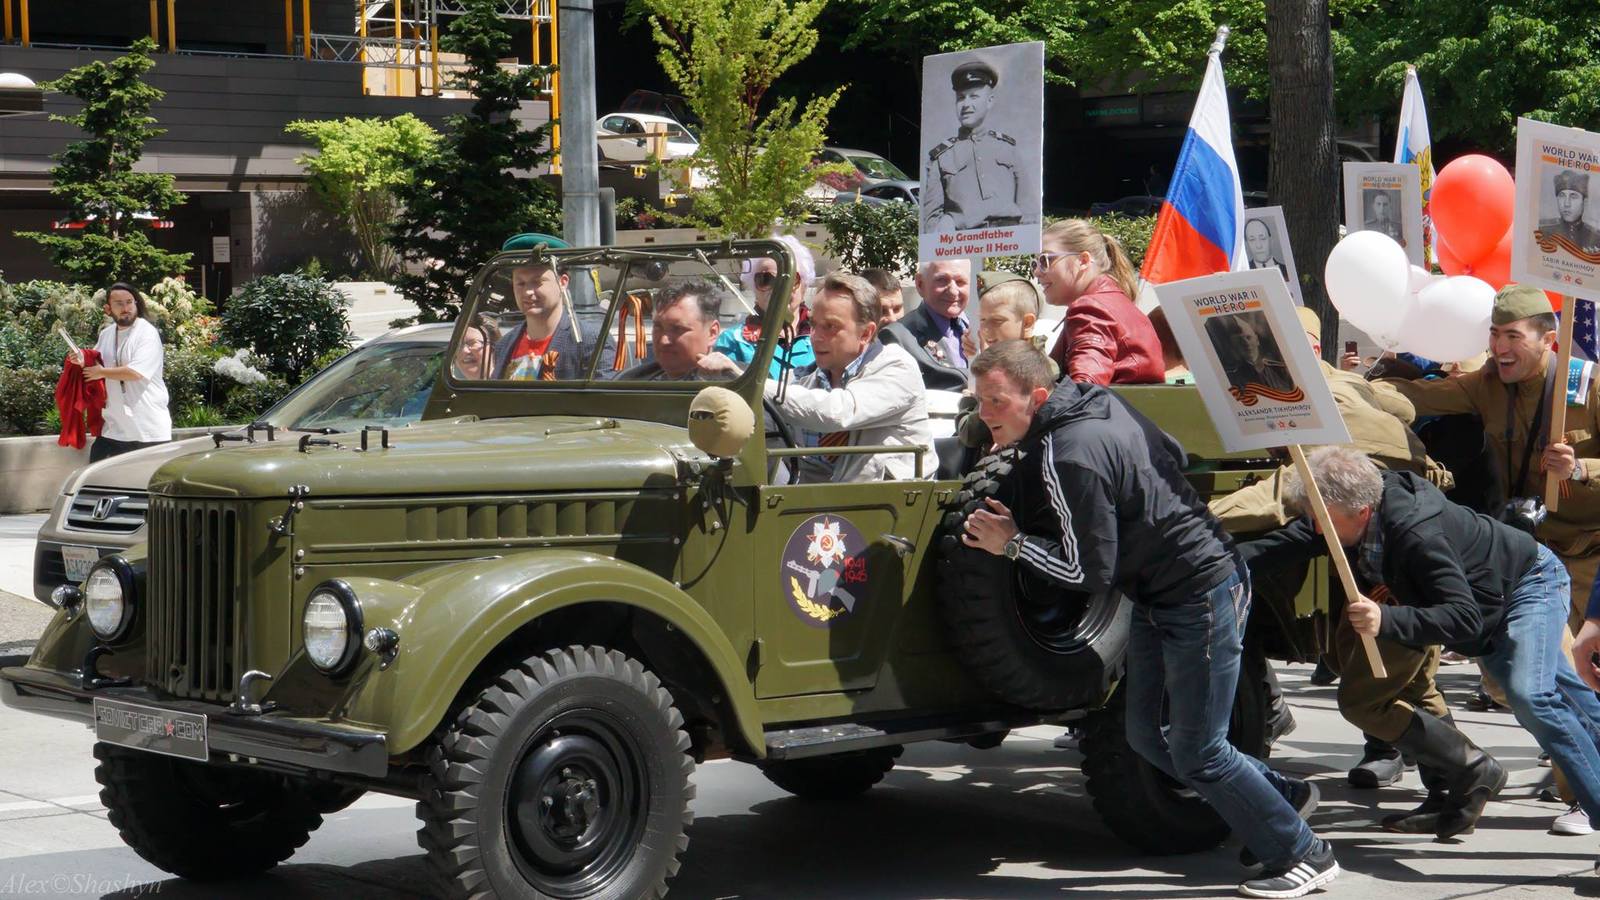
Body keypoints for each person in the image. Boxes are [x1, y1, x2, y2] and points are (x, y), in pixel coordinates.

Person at [960, 341, 1338, 899]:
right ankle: (1276, 796)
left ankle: (1303, 852)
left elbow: (1089, 570)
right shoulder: (1094, 400)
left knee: (1200, 750)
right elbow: (1175, 453)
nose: (983, 414)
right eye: (979, 398)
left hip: (1198, 592)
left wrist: (1012, 544)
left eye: (995, 401)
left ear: (1037, 397)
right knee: (1144, 735)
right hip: (1162, 592)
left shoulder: (1069, 454)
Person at [1249, 446, 1600, 849]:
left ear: (1361, 511)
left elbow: (1463, 618)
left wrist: (1387, 620)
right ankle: (1454, 786)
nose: (1314, 528)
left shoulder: (1418, 535)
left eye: (1321, 519)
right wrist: (1216, 564)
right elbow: (1290, 542)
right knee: (1566, 696)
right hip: (1487, 597)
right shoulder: (1355, 514)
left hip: (1527, 583)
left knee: (1529, 694)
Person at [1211, 307, 1455, 793]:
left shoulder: (1321, 398)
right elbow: (1403, 408)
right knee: (1360, 651)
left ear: (1311, 347)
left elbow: (1287, 489)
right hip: (1359, 527)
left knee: (1403, 659)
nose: (1259, 353)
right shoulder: (1316, 387)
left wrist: (1201, 518)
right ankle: (1440, 768)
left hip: (1397, 529)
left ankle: (1449, 771)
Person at [763, 272, 930, 483]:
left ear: (866, 333)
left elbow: (837, 413)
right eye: (814, 325)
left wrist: (756, 385)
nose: (816, 336)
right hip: (815, 508)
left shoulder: (897, 367)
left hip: (887, 507)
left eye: (830, 326)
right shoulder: (807, 380)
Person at [1035, 218, 1164, 385]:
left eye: (1046, 260)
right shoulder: (1115, 302)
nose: (1037, 272)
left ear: (1083, 261)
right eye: (1035, 263)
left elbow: (1086, 387)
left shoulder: (1091, 308)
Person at [954, 271, 1056, 449]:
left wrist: (968, 401)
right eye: (983, 320)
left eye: (997, 321)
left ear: (1028, 323)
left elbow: (971, 433)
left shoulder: (1040, 369)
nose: (985, 330)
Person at [921, 59, 1022, 232]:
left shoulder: (1008, 148)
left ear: (989, 101)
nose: (966, 104)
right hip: (964, 242)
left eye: (974, 96)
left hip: (1008, 241)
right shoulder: (942, 156)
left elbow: (1029, 208)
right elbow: (931, 221)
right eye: (961, 98)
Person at [81, 282, 171, 463]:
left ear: (136, 304)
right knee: (97, 483)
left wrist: (102, 372)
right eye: (119, 304)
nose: (125, 308)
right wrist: (80, 359)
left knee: (142, 489)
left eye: (129, 302)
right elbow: (95, 361)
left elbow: (136, 372)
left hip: (147, 431)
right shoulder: (106, 334)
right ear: (108, 309)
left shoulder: (147, 333)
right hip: (113, 429)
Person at [711, 234, 816, 378]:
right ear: (754, 287)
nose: (778, 288)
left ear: (803, 285)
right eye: (765, 279)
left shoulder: (823, 336)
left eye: (790, 279)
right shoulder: (733, 341)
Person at [493, 261, 612, 380]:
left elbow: (604, 397)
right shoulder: (504, 345)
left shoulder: (593, 340)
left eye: (537, 282)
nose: (527, 292)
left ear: (563, 282)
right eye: (520, 283)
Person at [878, 259, 973, 390]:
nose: (953, 291)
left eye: (960, 282)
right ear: (920, 284)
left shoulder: (984, 328)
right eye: (942, 280)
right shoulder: (896, 336)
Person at [619, 280, 732, 382]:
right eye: (658, 327)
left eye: (677, 329)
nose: (664, 341)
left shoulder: (736, 386)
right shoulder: (630, 384)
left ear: (712, 333)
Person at [1207, 313, 1297, 396]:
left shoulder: (1280, 371)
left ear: (1257, 340)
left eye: (1249, 338)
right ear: (1235, 345)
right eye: (1240, 341)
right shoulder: (1231, 378)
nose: (1246, 343)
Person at [1538, 169, 1600, 256]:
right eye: (1562, 196)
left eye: (1573, 196)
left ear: (1584, 202)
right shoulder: (1543, 232)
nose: (1566, 204)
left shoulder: (1596, 238)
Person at [451, 315, 500, 381]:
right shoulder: (452, 389)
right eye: (458, 344)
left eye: (473, 343)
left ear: (493, 348)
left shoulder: (510, 387)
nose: (464, 350)